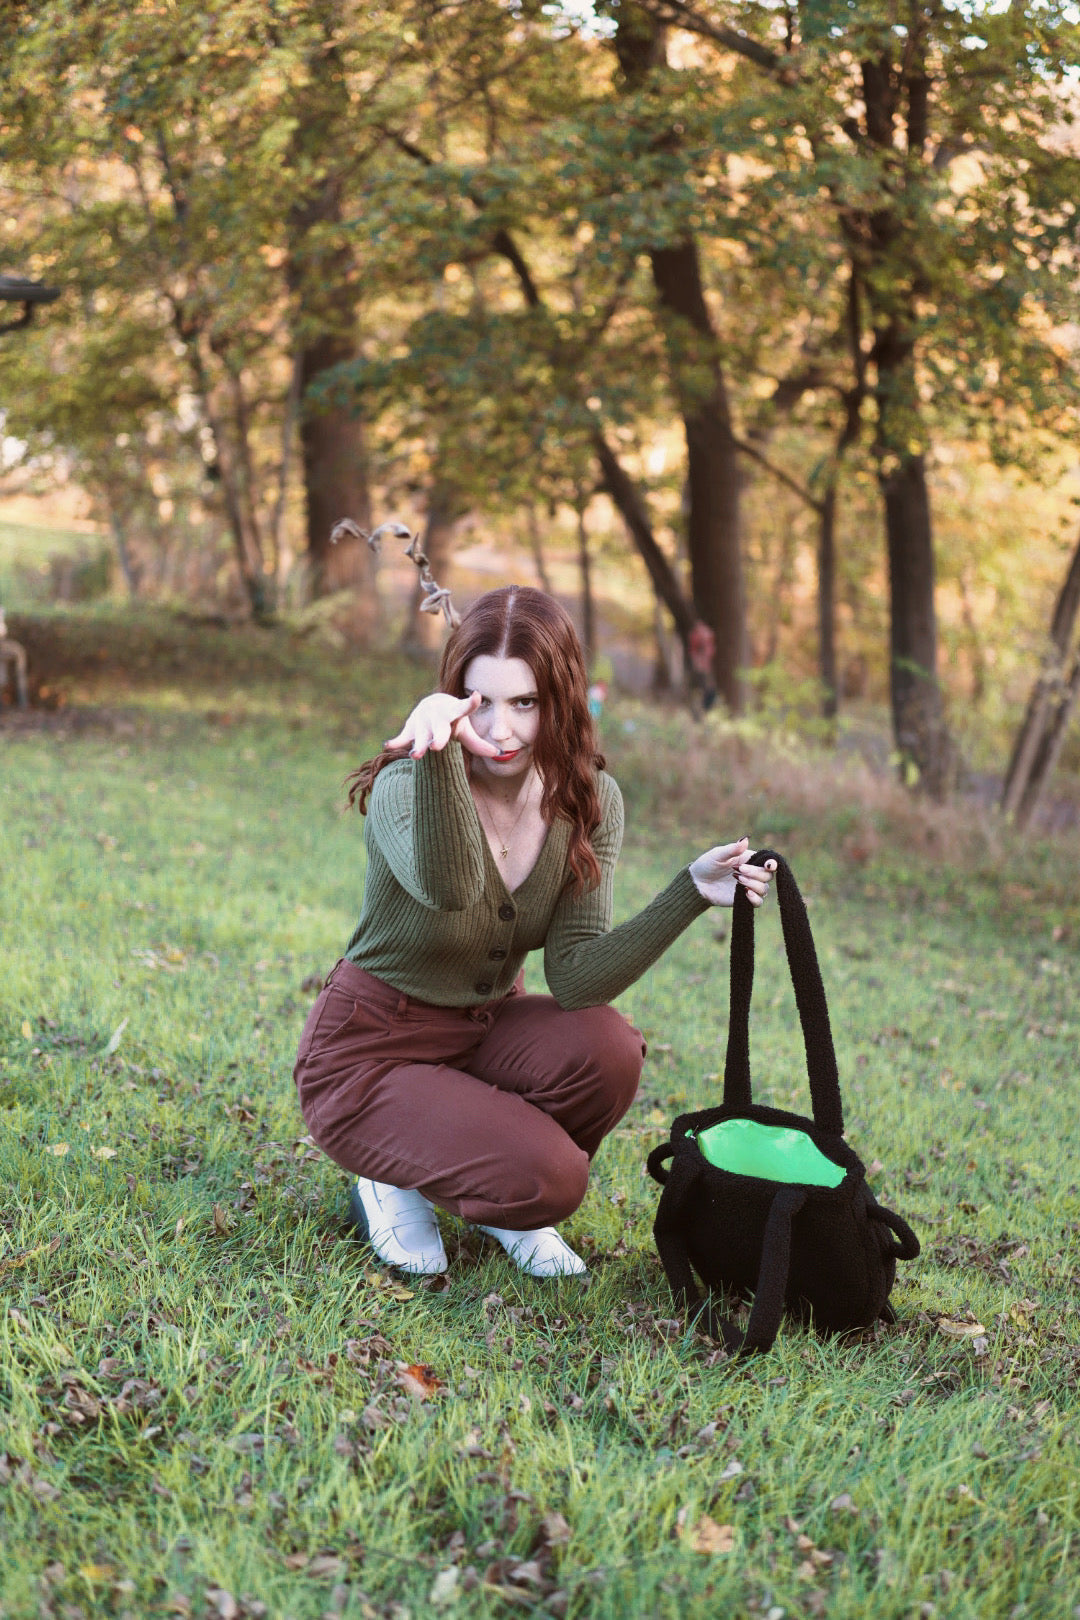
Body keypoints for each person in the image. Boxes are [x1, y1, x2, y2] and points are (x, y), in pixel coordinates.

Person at [294, 586, 776, 1278]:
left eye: (525, 702)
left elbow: (576, 979)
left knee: (609, 1049)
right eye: (480, 701)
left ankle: (488, 1185)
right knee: (552, 1179)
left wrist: (690, 894)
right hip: (370, 1052)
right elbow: (451, 889)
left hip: (484, 1032)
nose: (500, 729)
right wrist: (439, 756)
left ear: (561, 699)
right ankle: (390, 1178)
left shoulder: (587, 799)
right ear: (453, 698)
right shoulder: (408, 786)